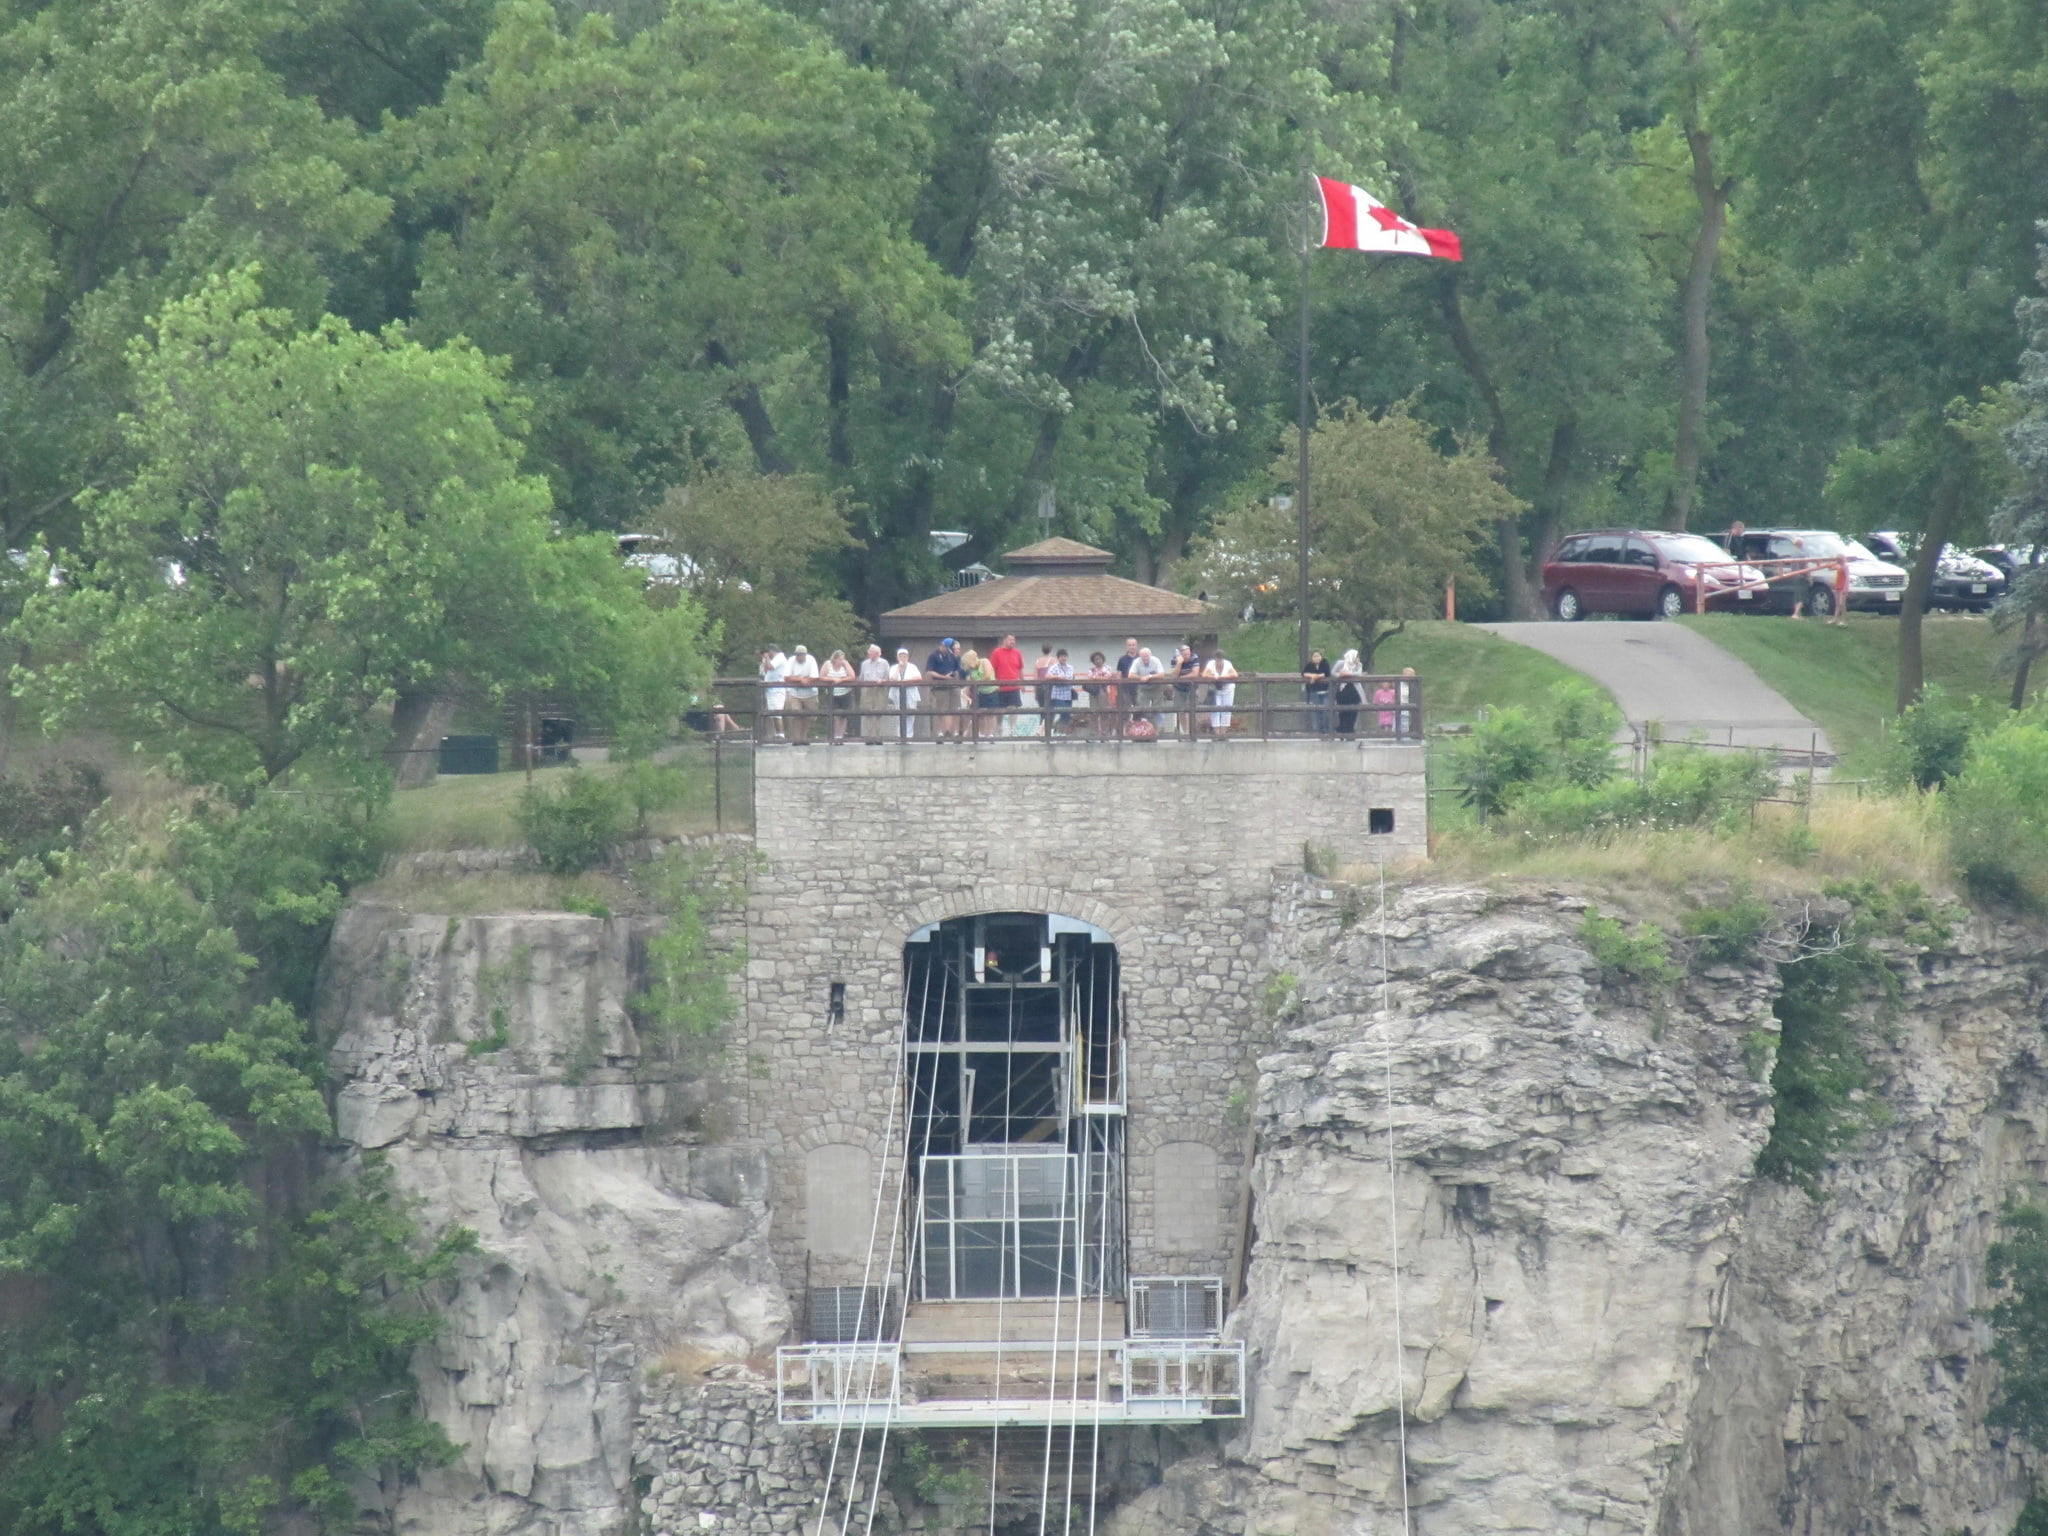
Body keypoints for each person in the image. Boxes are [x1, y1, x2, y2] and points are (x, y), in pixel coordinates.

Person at [925, 637, 965, 739]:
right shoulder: (933, 656)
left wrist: (955, 674)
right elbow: (929, 671)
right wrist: (943, 677)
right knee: (941, 709)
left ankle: (955, 732)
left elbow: (958, 669)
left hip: (953, 685)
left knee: (955, 709)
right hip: (940, 686)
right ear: (944, 646)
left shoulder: (953, 656)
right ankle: (941, 732)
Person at [784, 644, 820, 744]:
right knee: (796, 714)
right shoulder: (791, 660)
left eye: (801, 655)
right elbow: (786, 677)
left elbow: (815, 677)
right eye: (797, 655)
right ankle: (796, 739)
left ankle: (804, 737)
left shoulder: (811, 660)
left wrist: (797, 678)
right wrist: (801, 679)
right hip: (794, 693)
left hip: (810, 693)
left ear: (805, 654)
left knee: (810, 716)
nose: (799, 656)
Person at [962, 647, 999, 740]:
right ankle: (981, 733)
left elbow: (987, 675)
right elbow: (970, 680)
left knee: (991, 713)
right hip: (980, 692)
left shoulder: (984, 662)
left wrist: (977, 682)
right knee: (980, 714)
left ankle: (991, 734)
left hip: (991, 691)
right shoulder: (971, 670)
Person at [821, 648, 857, 742]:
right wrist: (832, 679)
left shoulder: (845, 665)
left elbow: (852, 676)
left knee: (843, 715)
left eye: (843, 659)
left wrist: (841, 680)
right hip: (832, 694)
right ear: (835, 659)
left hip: (845, 693)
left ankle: (840, 736)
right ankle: (834, 735)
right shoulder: (827, 664)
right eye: (840, 659)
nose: (842, 661)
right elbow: (821, 677)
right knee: (835, 715)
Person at [1127, 645, 1167, 730]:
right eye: (1143, 656)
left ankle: (1158, 729)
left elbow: (1162, 674)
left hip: (1156, 687)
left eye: (1147, 656)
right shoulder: (1137, 661)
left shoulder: (1156, 660)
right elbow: (1130, 675)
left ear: (1150, 655)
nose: (1145, 658)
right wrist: (1140, 678)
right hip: (1143, 688)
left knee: (1157, 709)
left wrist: (1149, 676)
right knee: (1143, 709)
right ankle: (1145, 729)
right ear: (1140, 656)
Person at [886, 648, 923, 739]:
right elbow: (892, 678)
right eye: (900, 656)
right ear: (897, 657)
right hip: (897, 693)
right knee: (899, 714)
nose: (902, 658)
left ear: (907, 657)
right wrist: (899, 668)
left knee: (910, 714)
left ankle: (909, 736)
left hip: (910, 692)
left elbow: (918, 678)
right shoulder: (894, 667)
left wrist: (906, 681)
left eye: (904, 656)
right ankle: (900, 736)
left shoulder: (912, 667)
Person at [856, 643, 890, 740]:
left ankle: (878, 736)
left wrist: (882, 681)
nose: (868, 653)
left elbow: (888, 677)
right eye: (869, 651)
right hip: (867, 690)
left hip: (879, 690)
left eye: (870, 651)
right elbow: (861, 677)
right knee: (868, 712)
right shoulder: (864, 663)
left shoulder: (884, 663)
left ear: (877, 653)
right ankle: (870, 736)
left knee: (878, 712)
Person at [1172, 642, 1204, 736]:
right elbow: (1174, 676)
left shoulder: (1194, 657)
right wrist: (1179, 663)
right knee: (1181, 710)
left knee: (1193, 709)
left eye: (1188, 653)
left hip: (1192, 687)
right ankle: (1185, 732)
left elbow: (1195, 673)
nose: (1187, 656)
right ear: (1180, 654)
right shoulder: (1175, 659)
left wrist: (1181, 678)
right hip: (1179, 688)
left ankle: (1192, 732)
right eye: (1185, 654)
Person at [758, 645, 789, 741]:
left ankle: (781, 734)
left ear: (771, 651)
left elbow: (770, 667)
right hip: (771, 690)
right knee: (772, 713)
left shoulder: (780, 657)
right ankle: (776, 733)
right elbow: (764, 671)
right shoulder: (770, 660)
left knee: (776, 712)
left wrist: (766, 658)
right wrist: (765, 660)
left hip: (778, 689)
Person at [1204, 650, 1238, 737]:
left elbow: (1235, 674)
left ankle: (1223, 734)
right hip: (1216, 690)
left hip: (1228, 689)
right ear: (1214, 659)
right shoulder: (1211, 664)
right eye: (1217, 659)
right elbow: (1204, 674)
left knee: (1226, 710)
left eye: (1220, 659)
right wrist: (1214, 676)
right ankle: (1217, 734)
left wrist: (1223, 677)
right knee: (1215, 710)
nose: (1218, 661)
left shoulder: (1228, 664)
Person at [990, 633, 1026, 715]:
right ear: (1004, 640)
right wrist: (993, 685)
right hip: (1000, 688)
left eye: (1014, 640)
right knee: (999, 711)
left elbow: (1020, 669)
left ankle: (1012, 728)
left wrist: (1023, 684)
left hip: (1014, 688)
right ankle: (999, 727)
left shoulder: (1017, 653)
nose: (1012, 642)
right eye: (1010, 640)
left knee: (1014, 711)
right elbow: (992, 669)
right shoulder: (997, 652)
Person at [1332, 648, 1365, 736]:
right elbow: (1333, 672)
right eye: (1356, 656)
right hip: (1342, 690)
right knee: (1342, 711)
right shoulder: (1341, 663)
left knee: (1353, 711)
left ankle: (1350, 730)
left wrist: (1347, 674)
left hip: (1354, 690)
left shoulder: (1359, 665)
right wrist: (1340, 675)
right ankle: (1342, 730)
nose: (1358, 658)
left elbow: (1358, 674)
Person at [1083, 651, 1115, 738]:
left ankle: (1105, 734)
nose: (1098, 661)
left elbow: (1107, 677)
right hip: (1093, 692)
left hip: (1104, 691)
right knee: (1094, 712)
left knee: (1104, 712)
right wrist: (1100, 678)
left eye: (1099, 659)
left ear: (1103, 659)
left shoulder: (1107, 668)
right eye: (1095, 659)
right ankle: (1094, 734)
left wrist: (1096, 678)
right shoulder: (1091, 669)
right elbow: (1090, 678)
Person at [1045, 648, 1076, 732]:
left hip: (1068, 695)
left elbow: (1072, 678)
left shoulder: (1070, 667)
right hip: (1058, 695)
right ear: (1058, 658)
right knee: (1064, 712)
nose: (1063, 658)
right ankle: (1054, 727)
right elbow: (1047, 676)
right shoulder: (1054, 667)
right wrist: (1057, 677)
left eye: (1065, 656)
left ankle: (1061, 732)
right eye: (1061, 656)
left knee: (1067, 715)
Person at [1303, 649, 1332, 735]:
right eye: (1314, 656)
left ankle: (1326, 729)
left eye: (1318, 656)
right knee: (1317, 711)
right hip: (1314, 692)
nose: (1316, 658)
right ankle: (1319, 730)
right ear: (1312, 658)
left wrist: (1315, 677)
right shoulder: (1310, 665)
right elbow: (1304, 673)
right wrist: (1311, 675)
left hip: (1325, 692)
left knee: (1326, 710)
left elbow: (1326, 673)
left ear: (1321, 657)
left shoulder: (1325, 663)